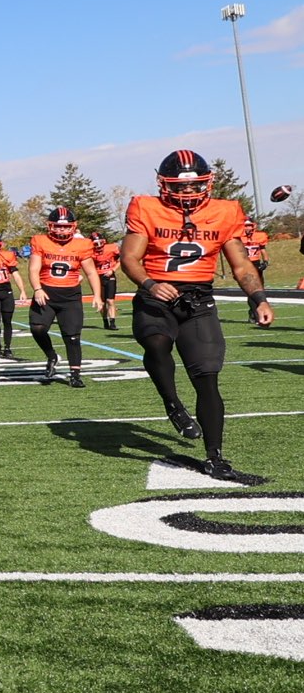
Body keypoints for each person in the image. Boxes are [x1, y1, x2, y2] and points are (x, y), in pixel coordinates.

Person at [121, 149, 273, 481]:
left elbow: (241, 265)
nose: (187, 193)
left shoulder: (225, 211)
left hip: (198, 299)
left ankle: (215, 457)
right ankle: (173, 403)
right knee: (157, 343)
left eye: (194, 186)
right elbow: (129, 258)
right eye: (180, 186)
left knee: (207, 378)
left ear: (207, 184)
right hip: (156, 296)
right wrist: (149, 283)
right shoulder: (146, 208)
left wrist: (258, 299)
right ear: (165, 184)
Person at [26, 205, 100, 388]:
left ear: (73, 227)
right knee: (37, 328)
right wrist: (37, 289)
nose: (62, 230)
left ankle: (75, 374)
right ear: (50, 226)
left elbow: (91, 272)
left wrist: (97, 295)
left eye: (66, 226)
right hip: (47, 292)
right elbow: (33, 268)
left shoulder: (82, 245)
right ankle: (52, 355)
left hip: (70, 295)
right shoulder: (40, 241)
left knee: (72, 337)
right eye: (58, 226)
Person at [239, 217, 270, 322]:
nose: (247, 228)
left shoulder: (259, 236)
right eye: (246, 226)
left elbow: (263, 250)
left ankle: (253, 313)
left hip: (256, 263)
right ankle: (255, 315)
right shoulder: (239, 237)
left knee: (260, 289)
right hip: (245, 264)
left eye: (249, 226)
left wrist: (265, 262)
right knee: (251, 290)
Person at [89, 233, 120, 329]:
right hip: (98, 278)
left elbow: (121, 259)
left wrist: (113, 270)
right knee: (102, 302)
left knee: (110, 300)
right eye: (96, 244)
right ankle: (105, 321)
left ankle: (112, 323)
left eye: (100, 243)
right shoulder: (90, 252)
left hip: (110, 276)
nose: (98, 246)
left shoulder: (111, 248)